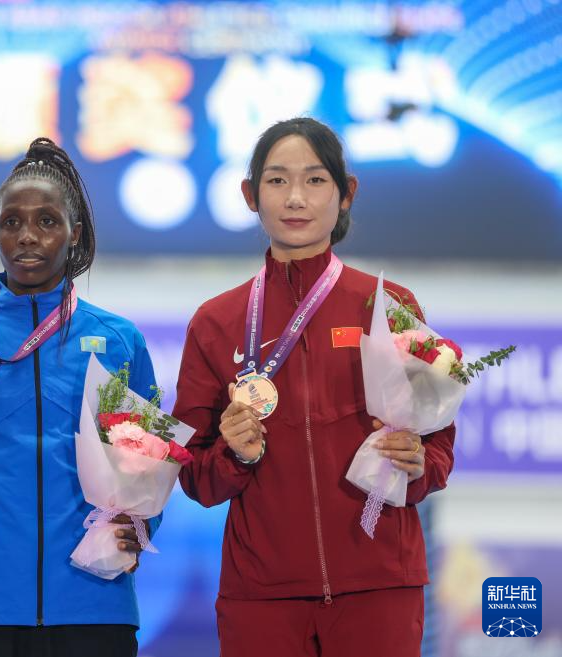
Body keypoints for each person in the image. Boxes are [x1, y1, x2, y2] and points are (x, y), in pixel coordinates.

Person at [173, 118, 454, 657]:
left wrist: (420, 462)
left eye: (316, 180)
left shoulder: (388, 305)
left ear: (346, 193)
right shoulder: (216, 323)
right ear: (250, 195)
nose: (296, 197)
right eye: (277, 180)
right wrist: (235, 454)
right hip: (262, 596)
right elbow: (194, 476)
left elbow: (438, 439)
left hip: (379, 584)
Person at [0, 138, 157, 657]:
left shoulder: (119, 340)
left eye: (47, 221)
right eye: (11, 222)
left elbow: (148, 471)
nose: (27, 236)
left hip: (96, 603)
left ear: (74, 233)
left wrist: (139, 525)